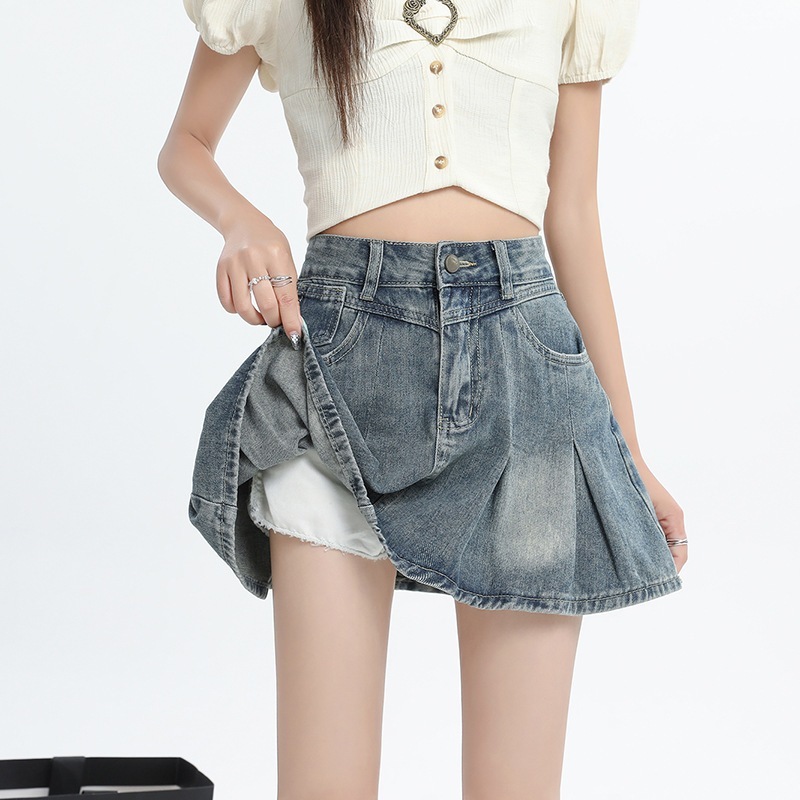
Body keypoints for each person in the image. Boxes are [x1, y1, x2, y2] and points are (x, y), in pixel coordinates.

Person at [158, 0, 688, 797]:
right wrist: (240, 220)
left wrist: (627, 450)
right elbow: (186, 143)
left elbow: (574, 211)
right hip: (334, 372)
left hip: (527, 378)